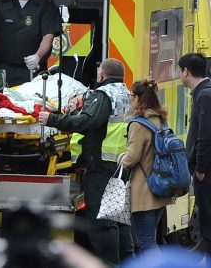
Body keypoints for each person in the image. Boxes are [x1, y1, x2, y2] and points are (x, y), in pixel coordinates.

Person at [38, 58, 133, 267]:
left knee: (103, 220)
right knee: (119, 219)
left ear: (101, 75)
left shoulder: (103, 95)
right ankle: (129, 262)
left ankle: (110, 264)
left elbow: (86, 122)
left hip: (101, 166)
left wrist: (52, 119)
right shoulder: (127, 94)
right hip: (120, 164)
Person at [178, 52, 211, 268]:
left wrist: (200, 169)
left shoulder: (206, 97)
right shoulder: (210, 93)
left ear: (186, 72)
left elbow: (206, 138)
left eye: (180, 71)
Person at [117, 78, 174, 254]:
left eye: (131, 96)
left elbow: (131, 158)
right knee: (150, 237)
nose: (130, 100)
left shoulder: (138, 124)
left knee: (146, 242)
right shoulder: (160, 120)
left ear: (137, 98)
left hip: (144, 191)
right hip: (160, 187)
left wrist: (120, 158)